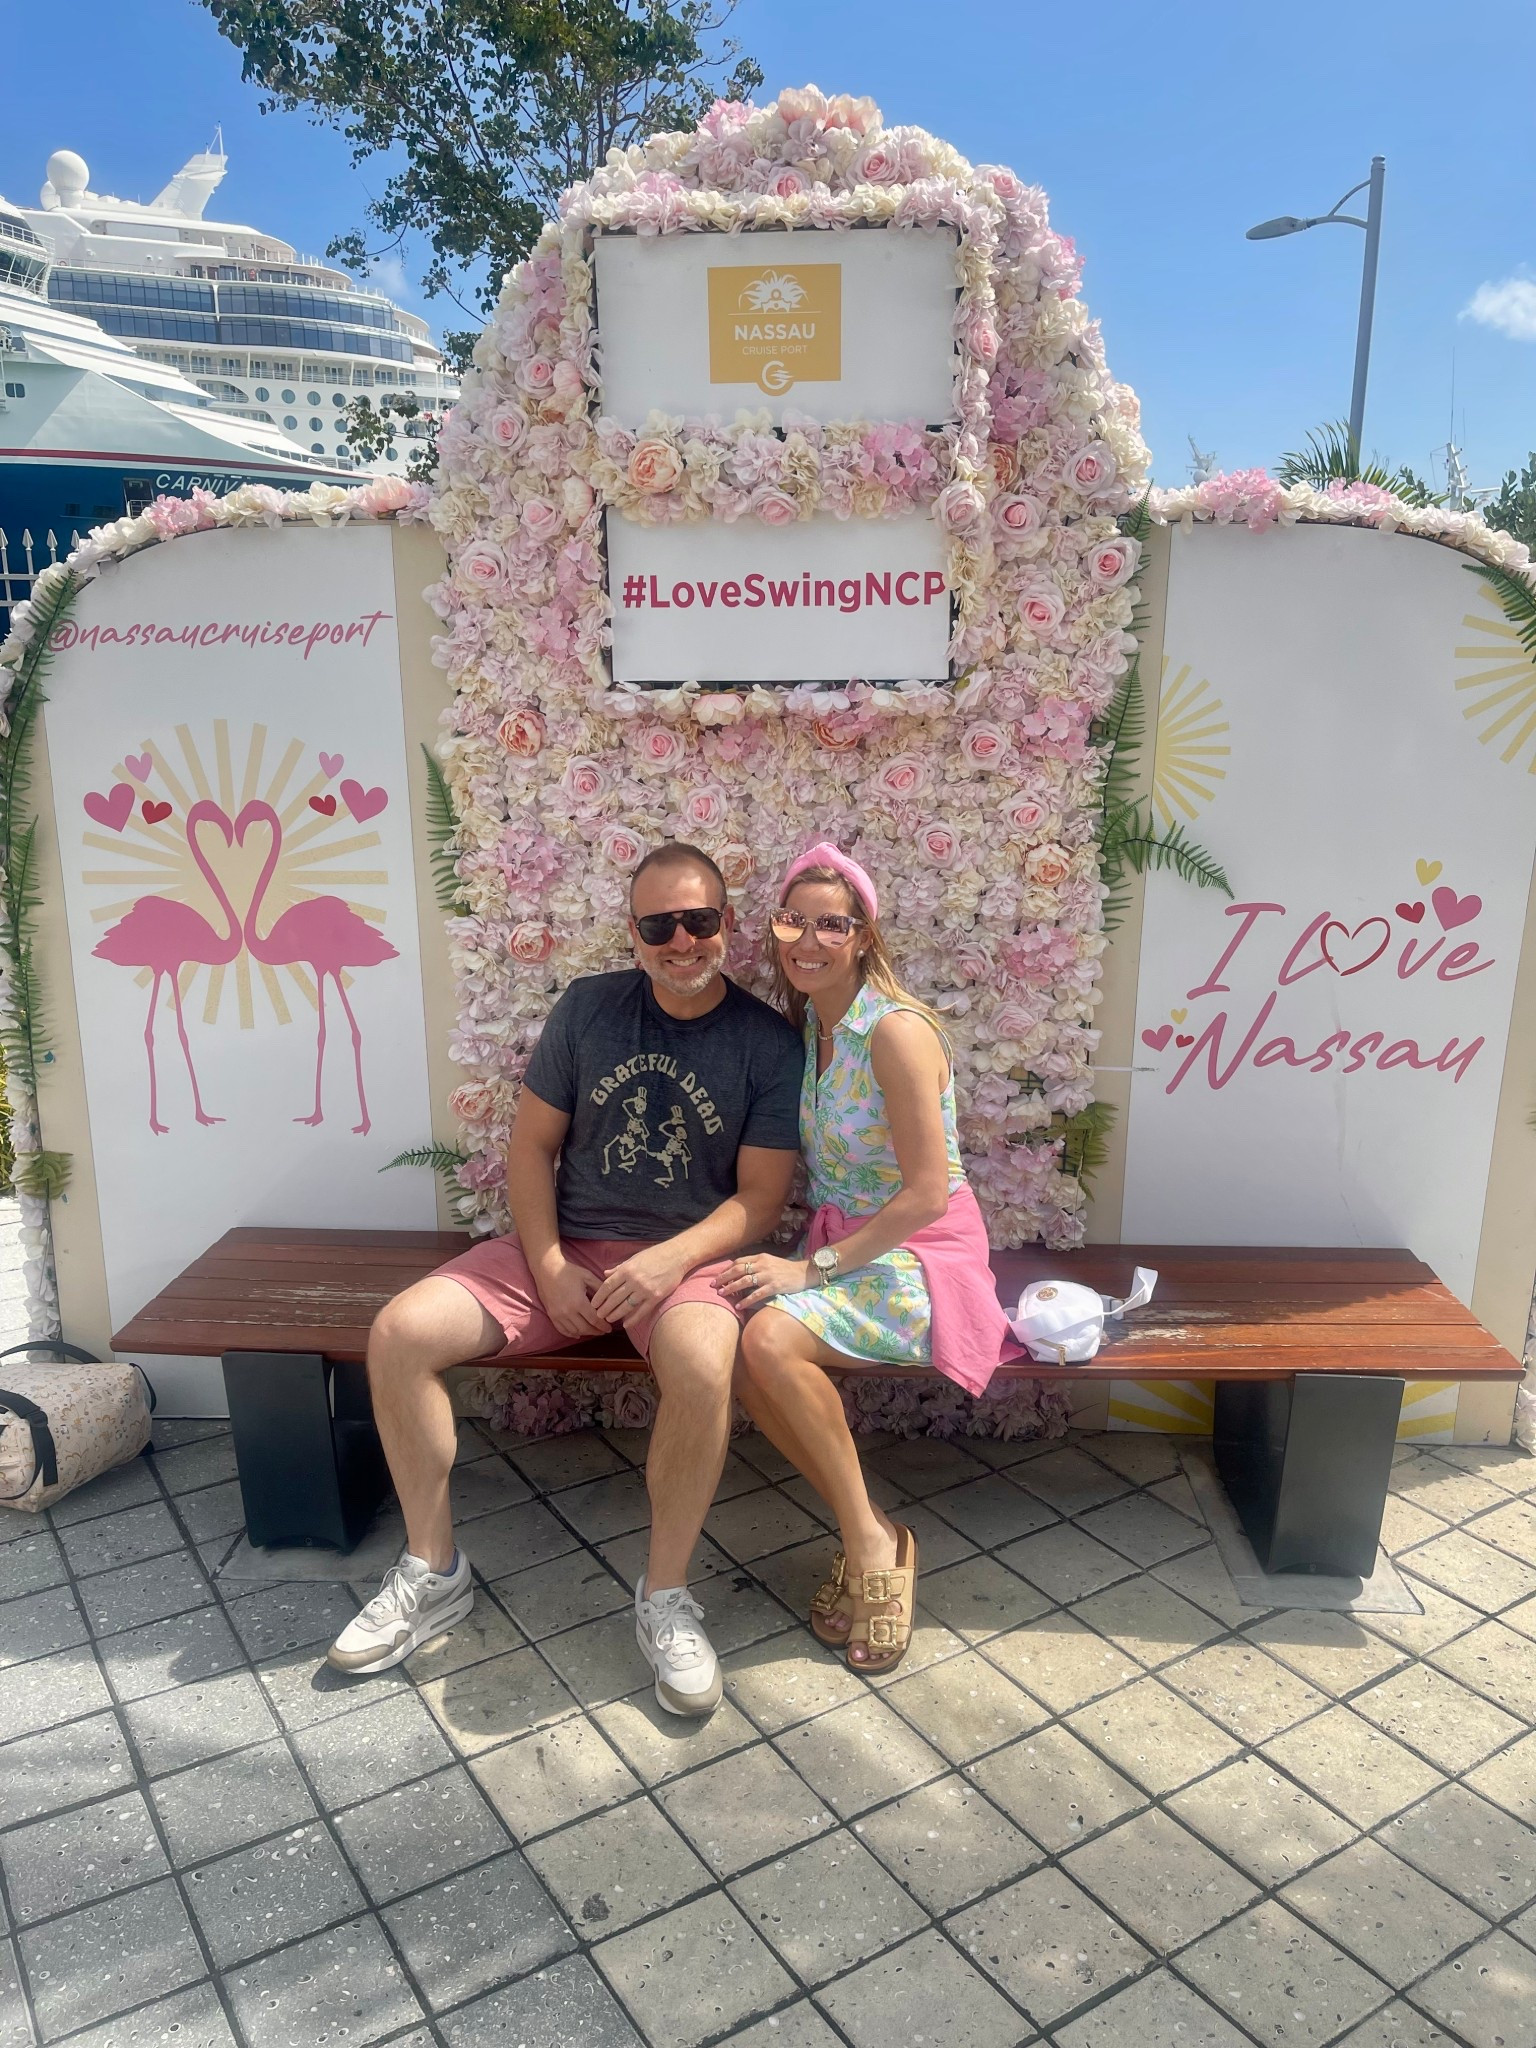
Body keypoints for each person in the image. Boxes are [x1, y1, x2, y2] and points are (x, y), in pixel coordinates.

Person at [328, 842, 802, 1714]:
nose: (682, 940)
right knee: (399, 1333)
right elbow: (532, 1147)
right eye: (660, 924)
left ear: (729, 926)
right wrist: (546, 1263)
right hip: (568, 1247)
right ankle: (434, 1571)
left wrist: (669, 1259)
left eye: (700, 920)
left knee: (704, 1365)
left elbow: (762, 1199)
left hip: (686, 1260)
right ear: (634, 933)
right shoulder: (588, 1009)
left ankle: (665, 1596)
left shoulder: (766, 1042)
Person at [721, 843, 1019, 1674]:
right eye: (793, 921)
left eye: (832, 924)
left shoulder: (894, 1032)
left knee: (769, 1340)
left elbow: (926, 1192)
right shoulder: (809, 1026)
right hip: (851, 1248)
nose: (807, 940)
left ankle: (869, 1545)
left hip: (925, 1255)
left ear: (863, 935)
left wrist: (807, 1271)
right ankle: (875, 1532)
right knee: (744, 1336)